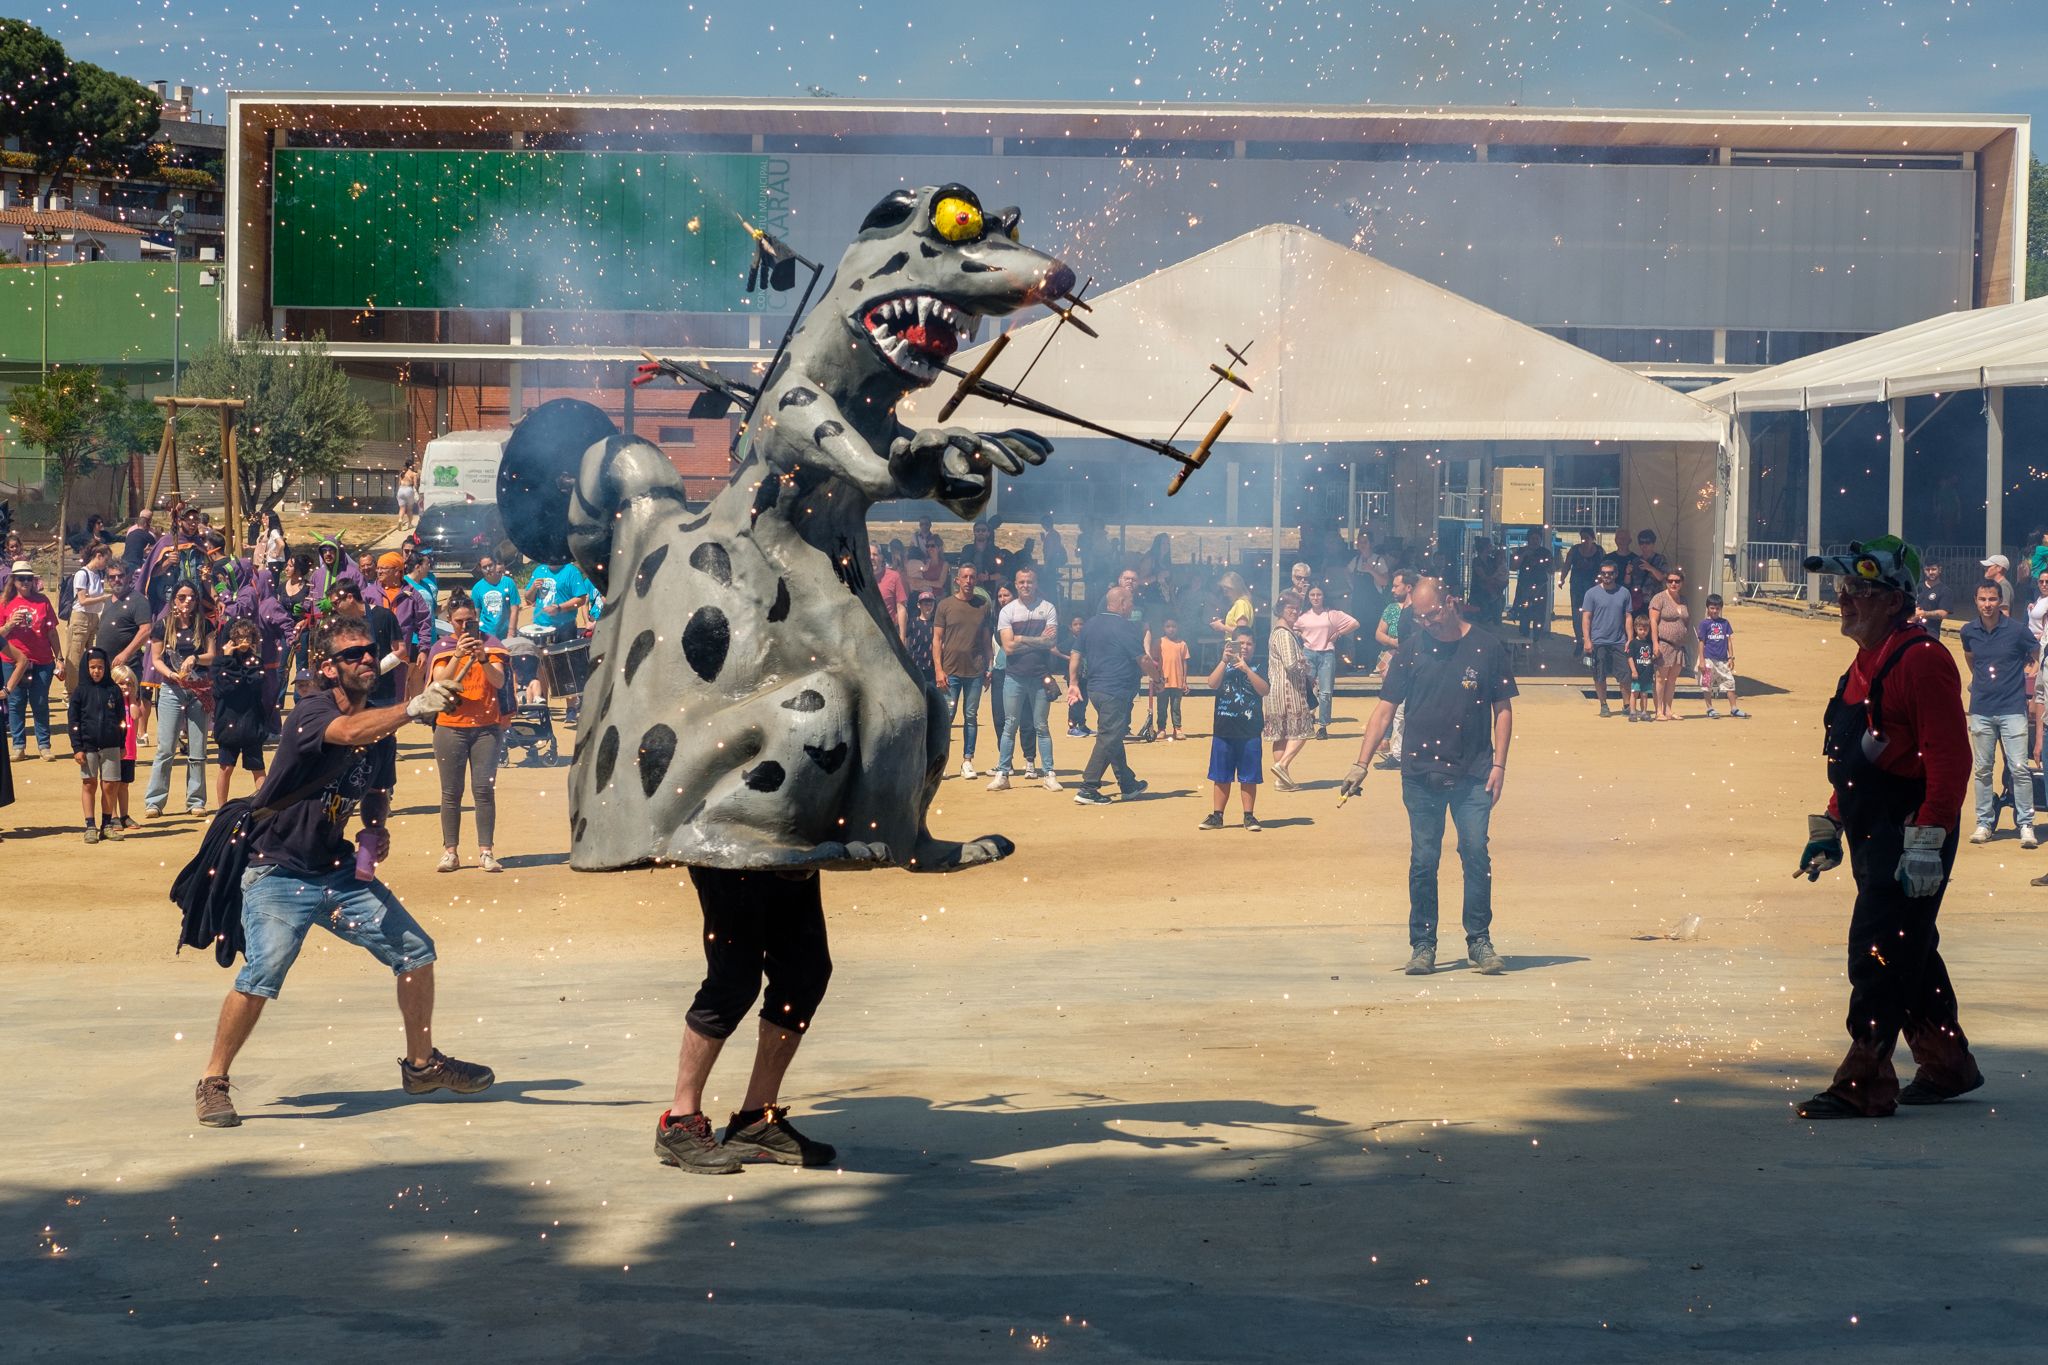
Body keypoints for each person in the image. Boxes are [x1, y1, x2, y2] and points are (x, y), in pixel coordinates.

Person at [190, 618, 488, 1128]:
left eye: (371, 651)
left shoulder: (382, 725)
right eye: (353, 655)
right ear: (327, 668)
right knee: (263, 974)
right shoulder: (312, 708)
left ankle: (421, 1065)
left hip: (338, 869)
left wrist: (375, 829)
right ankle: (213, 1080)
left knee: (416, 951)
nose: (367, 659)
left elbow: (375, 789)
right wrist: (415, 707)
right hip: (277, 870)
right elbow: (347, 733)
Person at [1793, 538, 1980, 1120]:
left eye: (1861, 591)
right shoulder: (1863, 663)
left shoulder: (1922, 659)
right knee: (1911, 947)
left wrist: (1928, 840)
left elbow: (1949, 758)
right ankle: (1947, 1064)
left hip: (1912, 832)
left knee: (1878, 948)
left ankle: (1866, 1079)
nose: (1845, 600)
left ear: (1896, 599)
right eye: (1843, 589)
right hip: (1873, 830)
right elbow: (1856, 756)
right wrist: (1830, 821)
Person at [1343, 577, 1516, 975]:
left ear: (1450, 602)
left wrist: (1500, 765)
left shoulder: (1486, 647)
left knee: (1475, 853)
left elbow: (1502, 709)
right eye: (1420, 618)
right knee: (1424, 859)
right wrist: (1361, 762)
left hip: (1474, 772)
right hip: (1421, 773)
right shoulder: (1410, 651)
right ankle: (1423, 944)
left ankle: (1479, 940)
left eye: (1433, 615)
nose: (1428, 624)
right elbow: (1384, 710)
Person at [427, 601, 509, 874]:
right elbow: (439, 683)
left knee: (483, 790)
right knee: (451, 792)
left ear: (476, 618)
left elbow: (499, 682)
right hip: (450, 726)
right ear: (449, 620)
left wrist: (483, 657)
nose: (464, 626)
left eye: (469, 620)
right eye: (459, 621)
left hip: (486, 727)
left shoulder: (492, 644)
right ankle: (450, 852)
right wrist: (458, 656)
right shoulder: (442, 648)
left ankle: (486, 851)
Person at [1958, 579, 2036, 846]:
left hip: (2012, 708)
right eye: (1982, 599)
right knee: (1982, 769)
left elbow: (2035, 653)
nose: (1987, 605)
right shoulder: (1968, 631)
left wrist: (2027, 674)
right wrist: (1980, 680)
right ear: (1976, 601)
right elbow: (1970, 657)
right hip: (1981, 708)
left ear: (2000, 601)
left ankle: (2026, 823)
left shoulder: (2017, 631)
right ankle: (1984, 822)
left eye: (1992, 599)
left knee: (2018, 768)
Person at [1069, 584, 1152, 806]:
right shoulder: (1124, 627)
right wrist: (1158, 678)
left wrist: (1074, 683)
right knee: (1108, 737)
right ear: (1122, 603)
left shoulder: (1091, 624)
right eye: (1131, 602)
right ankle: (1088, 787)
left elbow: (1076, 653)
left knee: (1112, 734)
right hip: (1115, 690)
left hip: (1095, 690)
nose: (1132, 606)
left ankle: (1128, 784)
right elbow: (1142, 659)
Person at [989, 567, 1062, 792]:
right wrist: (1036, 640)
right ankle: (1003, 773)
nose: (1025, 585)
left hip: (1039, 676)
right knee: (1010, 724)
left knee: (1041, 725)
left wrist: (1021, 637)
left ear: (1036, 583)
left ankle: (1048, 773)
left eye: (1029, 582)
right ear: (1016, 583)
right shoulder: (1008, 611)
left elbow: (1050, 642)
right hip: (1015, 676)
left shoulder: (1047, 608)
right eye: (1021, 582)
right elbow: (1008, 647)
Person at [145, 582, 214, 817]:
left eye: (192, 597)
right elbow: (156, 659)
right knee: (165, 748)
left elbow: (212, 656)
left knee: (198, 748)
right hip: (171, 689)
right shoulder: (163, 626)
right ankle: (154, 801)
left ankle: (195, 800)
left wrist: (195, 657)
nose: (187, 602)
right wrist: (171, 674)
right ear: (174, 599)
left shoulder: (204, 625)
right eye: (182, 597)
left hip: (198, 689)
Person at [1200, 626, 1269, 831]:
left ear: (1254, 646)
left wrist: (1247, 669)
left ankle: (1249, 816)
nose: (1245, 647)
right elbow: (1212, 683)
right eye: (1241, 643)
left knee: (1249, 775)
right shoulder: (1224, 663)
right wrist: (1224, 660)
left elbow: (1264, 690)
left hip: (1249, 730)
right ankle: (1217, 815)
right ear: (1232, 645)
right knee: (1221, 775)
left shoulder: (1258, 665)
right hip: (1224, 729)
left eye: (1249, 643)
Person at [932, 564, 992, 780]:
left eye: (972, 577)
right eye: (965, 577)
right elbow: (937, 640)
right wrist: (938, 669)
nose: (968, 581)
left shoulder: (982, 606)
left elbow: (986, 640)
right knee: (946, 717)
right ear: (957, 580)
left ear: (977, 581)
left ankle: (967, 760)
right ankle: (941, 761)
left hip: (975, 672)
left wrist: (990, 666)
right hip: (950, 672)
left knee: (971, 716)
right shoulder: (945, 605)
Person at [3, 562, 63, 761]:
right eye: (21, 578)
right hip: (12, 660)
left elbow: (52, 632)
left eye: (29, 578)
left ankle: (44, 745)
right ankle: (18, 746)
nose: (26, 582)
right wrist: (10, 624)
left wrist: (60, 658)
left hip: (42, 659)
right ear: (14, 580)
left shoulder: (43, 600)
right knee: (16, 702)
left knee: (39, 703)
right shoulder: (5, 602)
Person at [68, 646, 127, 843]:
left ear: (106, 668)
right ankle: (90, 825)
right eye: (92, 667)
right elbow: (74, 722)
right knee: (89, 783)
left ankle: (107, 824)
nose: (96, 671)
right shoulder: (80, 692)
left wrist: (122, 742)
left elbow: (121, 718)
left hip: (111, 745)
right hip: (88, 746)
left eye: (100, 667)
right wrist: (77, 748)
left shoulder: (113, 690)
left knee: (110, 785)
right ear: (86, 668)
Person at [211, 618, 269, 808]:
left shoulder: (257, 662)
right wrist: (228, 659)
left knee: (258, 768)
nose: (244, 641)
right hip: (228, 722)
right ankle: (222, 809)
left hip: (251, 722)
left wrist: (240, 671)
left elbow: (254, 684)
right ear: (232, 639)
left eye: (248, 636)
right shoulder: (220, 661)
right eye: (240, 637)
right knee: (225, 768)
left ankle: (263, 807)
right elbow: (223, 689)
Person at [1263, 591, 1317, 789]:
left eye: (1296, 608)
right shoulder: (1284, 634)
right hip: (1289, 690)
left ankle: (1282, 779)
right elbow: (1291, 665)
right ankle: (1282, 764)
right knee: (1302, 730)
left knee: (1281, 735)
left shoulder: (1278, 631)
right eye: (1290, 608)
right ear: (1281, 609)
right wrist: (1306, 666)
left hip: (1276, 690)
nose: (1294, 611)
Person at [1295, 585, 1360, 742]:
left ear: (1324, 596)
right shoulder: (1303, 615)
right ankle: (1307, 718)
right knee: (1306, 689)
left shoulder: (1332, 614)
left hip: (1327, 653)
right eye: (1312, 595)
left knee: (1325, 692)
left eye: (1318, 594)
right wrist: (1299, 634)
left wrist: (1339, 633)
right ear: (1308, 597)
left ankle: (1323, 725)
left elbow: (1354, 623)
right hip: (1308, 653)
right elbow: (1292, 627)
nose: (1316, 598)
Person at [1579, 561, 1631, 718]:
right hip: (1598, 641)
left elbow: (1628, 616)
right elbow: (1586, 618)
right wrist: (1587, 640)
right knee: (1599, 675)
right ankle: (1603, 704)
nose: (1606, 576)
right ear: (1600, 574)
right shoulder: (1591, 593)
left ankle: (1627, 705)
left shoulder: (1624, 592)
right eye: (1604, 573)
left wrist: (1630, 638)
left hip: (1619, 641)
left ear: (1615, 574)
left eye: (1610, 573)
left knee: (1625, 674)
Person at [1648, 568, 1691, 722]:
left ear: (1681, 583)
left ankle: (1668, 709)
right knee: (1660, 678)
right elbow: (1653, 621)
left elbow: (1685, 621)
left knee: (1672, 679)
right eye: (1670, 581)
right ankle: (1658, 710)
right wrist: (1655, 643)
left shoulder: (1684, 599)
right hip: (1664, 643)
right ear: (1666, 582)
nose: (1673, 583)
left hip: (1678, 646)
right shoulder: (1659, 598)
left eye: (1677, 581)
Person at [1695, 595, 1748, 719]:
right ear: (1707, 608)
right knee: (1707, 684)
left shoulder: (1725, 623)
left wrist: (1731, 657)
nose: (1714, 611)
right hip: (1708, 659)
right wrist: (1701, 660)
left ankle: (1734, 708)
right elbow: (1701, 642)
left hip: (1723, 659)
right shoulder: (1704, 624)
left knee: (1730, 682)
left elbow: (1729, 640)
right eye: (1712, 608)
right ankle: (1709, 708)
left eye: (1717, 608)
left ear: (1721, 609)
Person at [66, 543, 112, 679]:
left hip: (94, 617)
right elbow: (82, 600)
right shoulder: (82, 574)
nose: (106, 563)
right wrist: (103, 598)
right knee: (75, 656)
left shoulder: (97, 574)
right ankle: (69, 692)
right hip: (81, 617)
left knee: (92, 656)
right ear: (98, 556)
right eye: (106, 560)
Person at [523, 556, 591, 646]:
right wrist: (533, 588)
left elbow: (581, 599)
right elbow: (528, 600)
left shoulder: (571, 570)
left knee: (563, 659)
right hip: (540, 627)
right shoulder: (539, 570)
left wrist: (559, 608)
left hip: (565, 628)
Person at [109, 662, 140, 830]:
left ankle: (124, 815)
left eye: (129, 683)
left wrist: (133, 698)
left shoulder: (132, 704)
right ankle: (112, 815)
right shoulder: (111, 703)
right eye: (120, 683)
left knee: (124, 785)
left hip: (129, 752)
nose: (125, 687)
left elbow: (135, 715)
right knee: (112, 784)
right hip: (113, 750)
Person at [1511, 527, 1554, 639]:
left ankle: (1536, 638)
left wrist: (1547, 562)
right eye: (1533, 538)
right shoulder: (1522, 551)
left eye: (1537, 539)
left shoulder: (1545, 552)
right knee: (1524, 613)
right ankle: (1524, 637)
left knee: (1539, 614)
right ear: (1528, 539)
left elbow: (1551, 570)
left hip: (1540, 587)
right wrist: (1524, 555)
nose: (1535, 541)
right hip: (1524, 587)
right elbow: (1514, 567)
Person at [1560, 527, 1604, 630]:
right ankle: (1579, 639)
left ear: (1593, 538)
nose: (1584, 540)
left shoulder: (1599, 551)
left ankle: (1592, 637)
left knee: (1593, 611)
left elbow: (1603, 566)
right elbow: (1567, 565)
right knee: (1577, 613)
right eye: (1582, 538)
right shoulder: (1575, 550)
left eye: (1587, 538)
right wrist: (1562, 578)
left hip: (1594, 585)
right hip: (1577, 585)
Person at [469, 554, 520, 641]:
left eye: (490, 565)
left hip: (505, 634)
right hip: (486, 635)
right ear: (480, 569)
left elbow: (514, 609)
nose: (488, 569)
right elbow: (475, 614)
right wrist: (474, 636)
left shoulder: (508, 583)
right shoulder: (477, 588)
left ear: (495, 564)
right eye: (484, 567)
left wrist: (511, 633)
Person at [1155, 616, 1189, 741]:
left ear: (1178, 628)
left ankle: (1177, 729)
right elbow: (1154, 660)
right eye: (1168, 626)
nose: (1171, 629)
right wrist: (1155, 677)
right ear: (1163, 628)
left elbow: (1184, 662)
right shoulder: (1159, 642)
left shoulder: (1182, 644)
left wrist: (1184, 681)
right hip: (1162, 682)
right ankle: (1161, 729)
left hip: (1177, 682)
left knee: (1176, 707)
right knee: (1161, 707)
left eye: (1173, 626)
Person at [1465, 536, 1509, 628]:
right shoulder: (1477, 561)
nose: (1491, 547)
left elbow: (1500, 564)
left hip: (1490, 592)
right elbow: (1484, 577)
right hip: (1479, 594)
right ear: (1485, 547)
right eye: (1490, 545)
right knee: (1481, 619)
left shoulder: (1491, 560)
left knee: (1496, 606)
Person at [1626, 612, 1657, 722]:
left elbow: (1651, 658)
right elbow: (1629, 658)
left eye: (1645, 629)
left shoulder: (1649, 643)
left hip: (1647, 673)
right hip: (1637, 673)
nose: (1643, 632)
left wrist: (1654, 656)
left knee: (1644, 694)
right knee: (1634, 692)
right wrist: (1633, 671)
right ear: (1635, 629)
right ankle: (1633, 712)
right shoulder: (1633, 643)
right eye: (1640, 629)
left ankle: (1644, 712)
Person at [1914, 561, 1953, 637]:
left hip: (1930, 633)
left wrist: (1923, 614)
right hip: (1911, 629)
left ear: (1940, 570)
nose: (1931, 572)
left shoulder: (1945, 591)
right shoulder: (1916, 587)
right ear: (1924, 570)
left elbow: (1943, 613)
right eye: (1927, 569)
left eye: (1933, 569)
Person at [905, 590, 938, 679]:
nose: (928, 607)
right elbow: (905, 639)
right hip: (915, 664)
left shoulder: (936, 623)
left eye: (931, 604)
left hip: (931, 666)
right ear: (919, 605)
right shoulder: (913, 622)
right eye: (925, 604)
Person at [120, 508, 155, 576]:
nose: (149, 523)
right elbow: (155, 547)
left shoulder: (131, 532)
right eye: (149, 520)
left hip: (124, 560)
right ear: (145, 524)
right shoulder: (148, 534)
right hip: (136, 561)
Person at [396, 459, 421, 528]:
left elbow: (399, 484)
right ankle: (409, 524)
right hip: (408, 490)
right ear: (411, 465)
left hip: (401, 490)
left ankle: (400, 519)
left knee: (402, 508)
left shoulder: (401, 474)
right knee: (409, 509)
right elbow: (415, 485)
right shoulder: (413, 474)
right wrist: (416, 491)